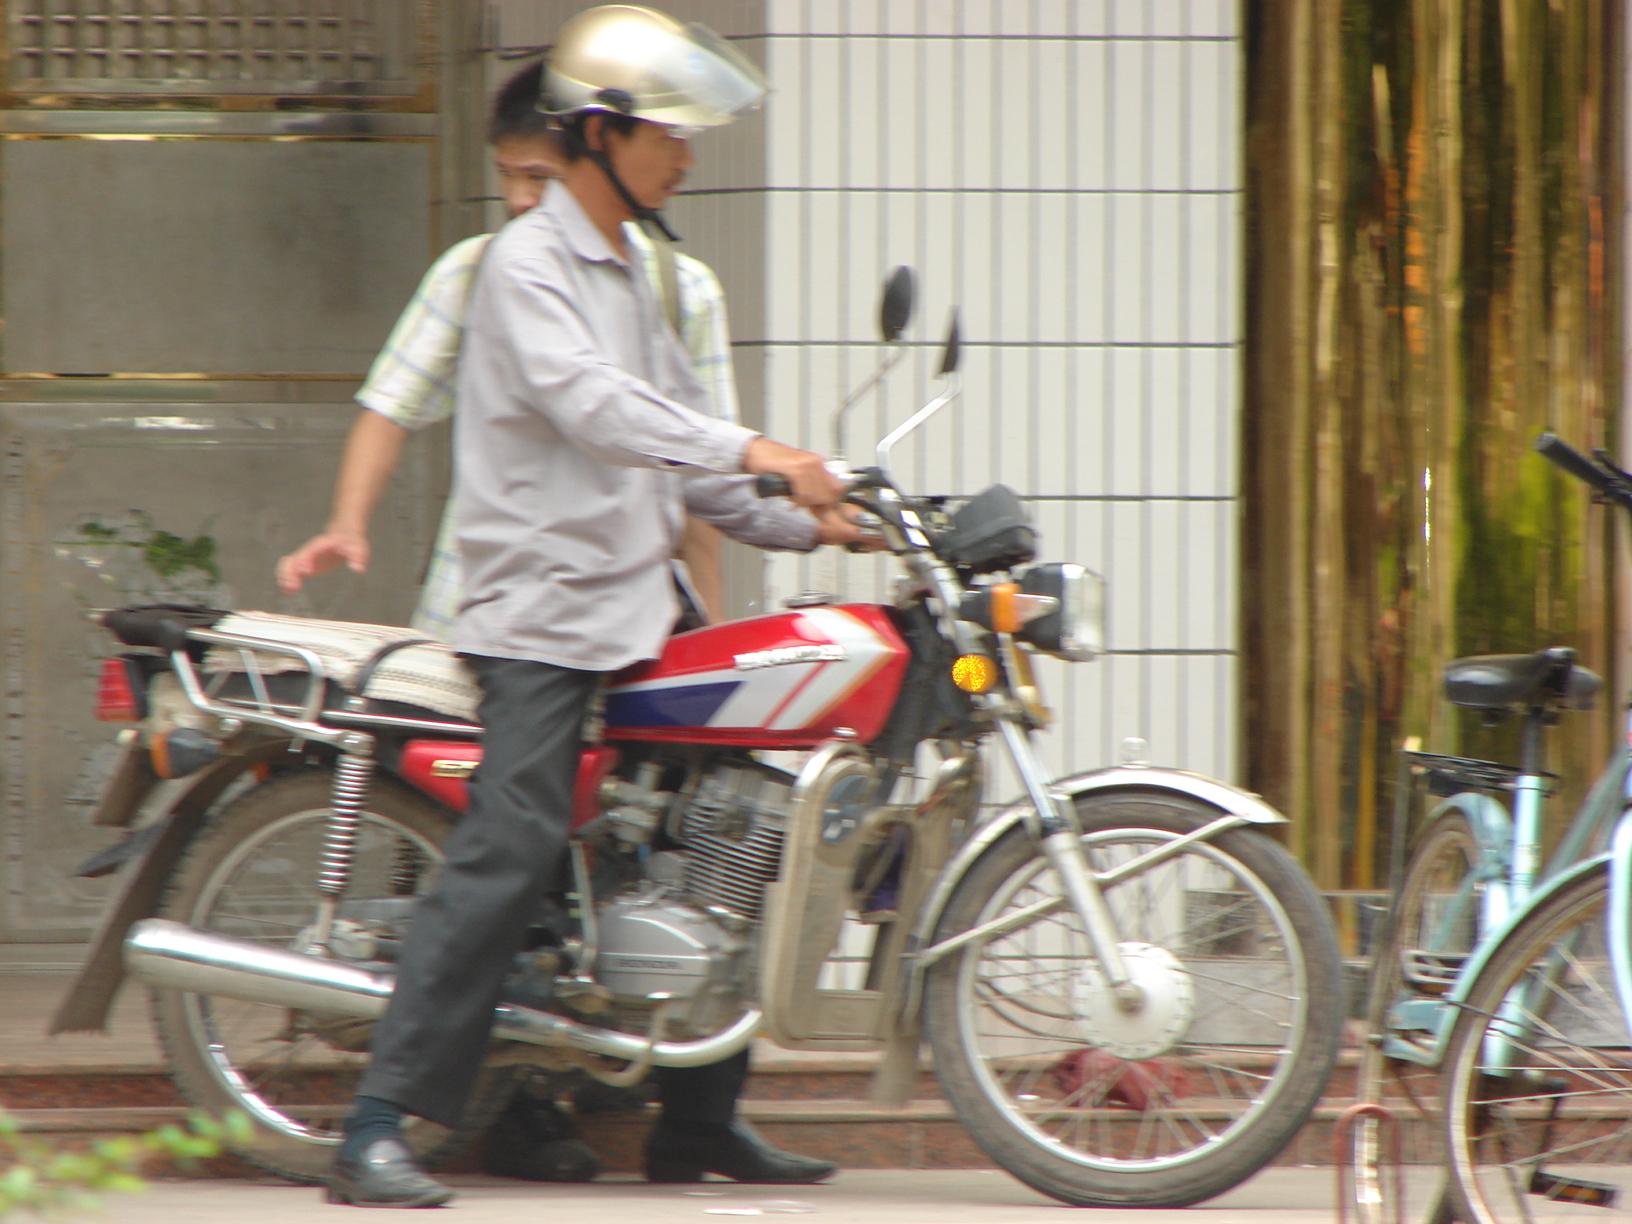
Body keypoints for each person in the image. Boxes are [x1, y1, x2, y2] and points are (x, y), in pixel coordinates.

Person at [323, 6, 865, 1208]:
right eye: (667, 134)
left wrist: (818, 519)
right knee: (513, 843)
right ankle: (374, 1126)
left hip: (641, 604)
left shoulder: (633, 273)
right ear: (600, 134)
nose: (686, 155)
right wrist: (763, 451)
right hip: (543, 615)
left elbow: (686, 457)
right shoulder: (526, 267)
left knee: (741, 817)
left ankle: (698, 1121)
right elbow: (597, 410)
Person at [277, 63, 735, 630]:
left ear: (591, 160)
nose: (519, 198)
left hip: (623, 622)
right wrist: (347, 523)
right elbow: (388, 410)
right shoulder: (473, 271)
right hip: (485, 617)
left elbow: (705, 478)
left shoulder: (682, 292)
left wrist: (714, 631)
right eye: (506, 174)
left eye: (540, 178)